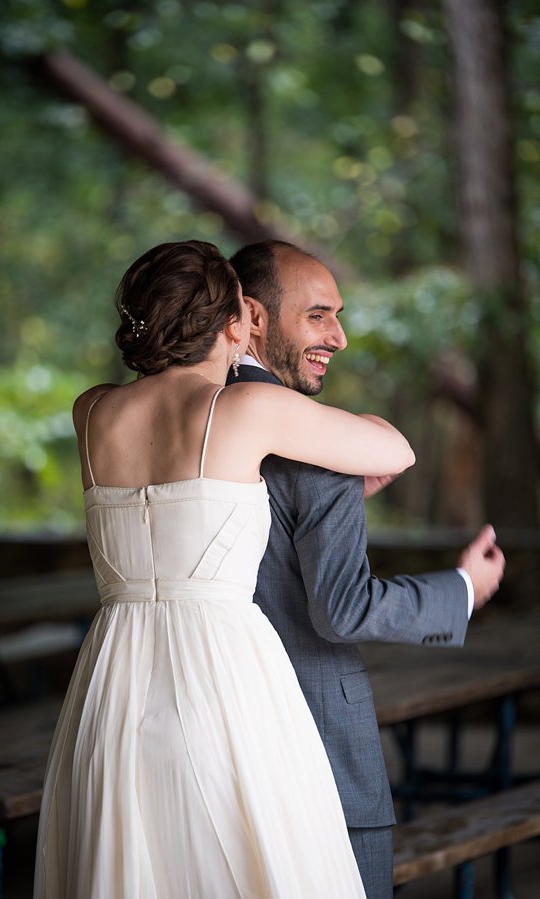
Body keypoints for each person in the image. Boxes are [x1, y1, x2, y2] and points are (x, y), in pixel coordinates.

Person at [33, 239, 419, 899]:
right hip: (222, 670)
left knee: (136, 858)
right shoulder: (246, 410)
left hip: (114, 674)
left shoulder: (91, 410)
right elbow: (395, 449)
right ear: (238, 320)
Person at [228, 239, 506, 899]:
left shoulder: (186, 415)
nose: (340, 337)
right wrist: (462, 589)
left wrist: (345, 500)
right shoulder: (322, 440)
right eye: (320, 314)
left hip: (212, 740)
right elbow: (342, 606)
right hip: (319, 747)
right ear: (253, 315)